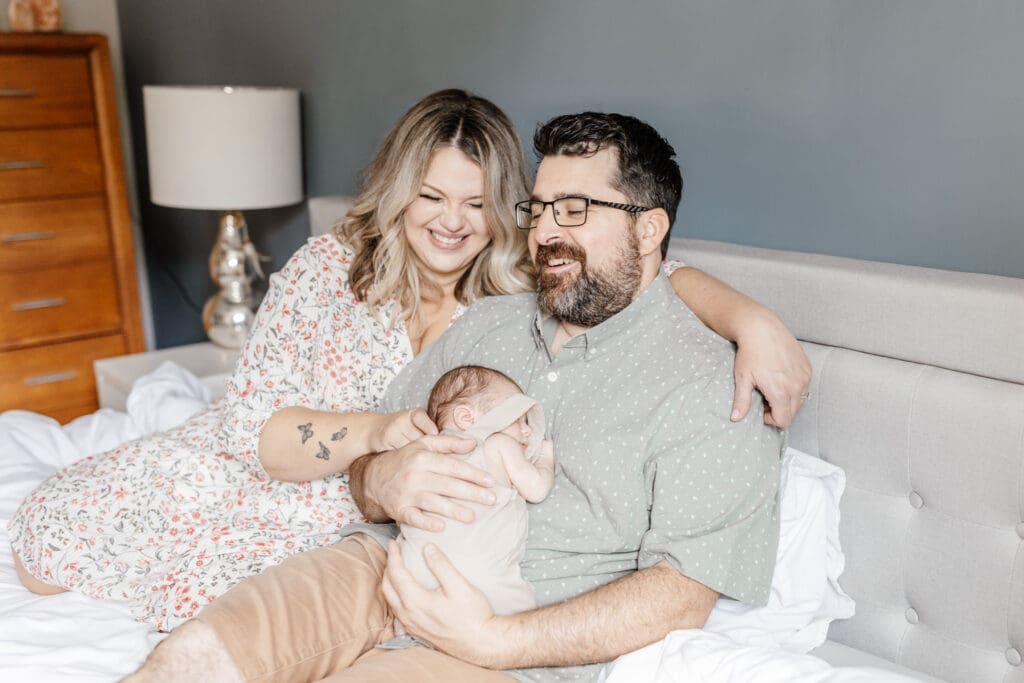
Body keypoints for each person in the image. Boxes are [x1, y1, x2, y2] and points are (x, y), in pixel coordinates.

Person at [11, 89, 805, 632]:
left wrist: (750, 318)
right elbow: (259, 434)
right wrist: (387, 433)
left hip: (362, 517)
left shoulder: (528, 285)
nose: (452, 223)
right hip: (274, 463)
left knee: (263, 599)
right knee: (48, 541)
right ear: (398, 192)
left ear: (504, 209)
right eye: (431, 196)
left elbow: (648, 272)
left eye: (475, 202)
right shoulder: (331, 268)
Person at [395, 364, 553, 622]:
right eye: (518, 419)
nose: (527, 431)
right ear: (467, 418)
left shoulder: (424, 453)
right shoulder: (498, 443)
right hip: (483, 582)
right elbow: (536, 489)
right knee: (519, 621)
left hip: (414, 574)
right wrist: (546, 459)